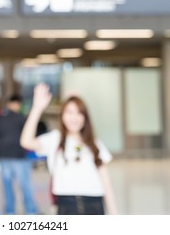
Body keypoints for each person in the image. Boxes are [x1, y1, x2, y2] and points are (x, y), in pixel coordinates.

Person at [20, 83, 117, 215]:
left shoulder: (95, 144)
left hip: (94, 205)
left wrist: (114, 216)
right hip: (66, 206)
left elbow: (107, 184)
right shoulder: (55, 139)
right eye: (69, 112)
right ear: (63, 116)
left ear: (85, 117)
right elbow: (26, 141)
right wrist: (37, 108)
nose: (74, 118)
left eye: (79, 113)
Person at [0, 94, 37, 215]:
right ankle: (30, 211)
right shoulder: (21, 117)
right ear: (17, 104)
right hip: (19, 156)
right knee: (25, 186)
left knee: (7, 187)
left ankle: (10, 212)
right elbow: (30, 136)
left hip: (4, 155)